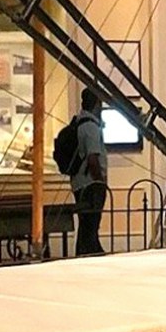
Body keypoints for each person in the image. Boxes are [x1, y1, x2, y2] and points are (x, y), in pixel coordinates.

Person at [71, 88, 109, 256]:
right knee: (91, 223)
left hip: (79, 183)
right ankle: (91, 253)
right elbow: (93, 158)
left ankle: (86, 252)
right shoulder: (91, 127)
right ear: (96, 105)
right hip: (91, 184)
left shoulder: (79, 124)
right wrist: (100, 181)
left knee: (85, 223)